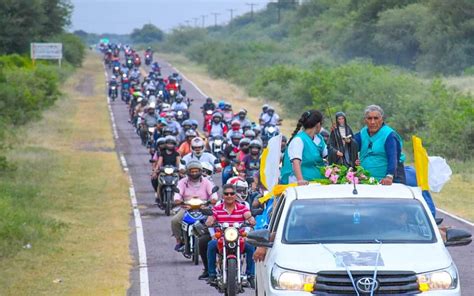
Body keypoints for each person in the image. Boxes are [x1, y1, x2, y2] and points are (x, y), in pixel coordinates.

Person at [205, 184, 256, 286]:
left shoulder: (242, 208)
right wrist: (210, 225)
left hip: (239, 237)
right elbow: (209, 220)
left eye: (232, 193)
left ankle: (250, 275)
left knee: (250, 247)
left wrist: (251, 220)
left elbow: (249, 217)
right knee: (211, 245)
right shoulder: (217, 208)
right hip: (222, 237)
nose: (229, 196)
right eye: (226, 194)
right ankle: (212, 274)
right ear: (222, 196)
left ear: (235, 195)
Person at [172, 161, 219, 252]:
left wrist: (213, 199)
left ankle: (214, 239)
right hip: (187, 207)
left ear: (200, 171)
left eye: (196, 171)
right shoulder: (182, 182)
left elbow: (213, 194)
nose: (194, 173)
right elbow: (177, 194)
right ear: (188, 172)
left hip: (203, 207)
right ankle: (179, 240)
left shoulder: (207, 181)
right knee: (175, 221)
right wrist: (178, 200)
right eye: (192, 171)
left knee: (214, 221)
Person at [354, 105, 406, 185]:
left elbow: (393, 157)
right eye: (369, 118)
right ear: (365, 120)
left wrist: (389, 176)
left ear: (381, 120)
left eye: (376, 118)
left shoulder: (389, 135)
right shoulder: (363, 133)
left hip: (384, 182)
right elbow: (350, 144)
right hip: (364, 180)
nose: (372, 122)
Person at [280, 110, 327, 185]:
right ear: (318, 124)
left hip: (318, 182)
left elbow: (328, 155)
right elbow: (296, 161)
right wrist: (300, 180)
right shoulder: (299, 140)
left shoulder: (319, 138)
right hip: (302, 184)